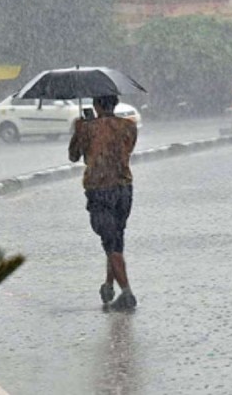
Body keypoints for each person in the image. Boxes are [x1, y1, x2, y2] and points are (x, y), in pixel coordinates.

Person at [69, 95, 138, 311]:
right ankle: (109, 285)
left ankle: (127, 293)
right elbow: (127, 149)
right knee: (116, 240)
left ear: (97, 106)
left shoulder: (87, 128)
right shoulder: (129, 126)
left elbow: (73, 155)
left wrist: (80, 129)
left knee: (110, 243)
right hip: (124, 189)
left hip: (100, 189)